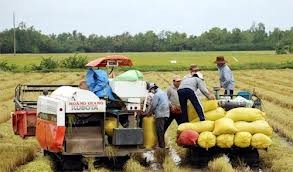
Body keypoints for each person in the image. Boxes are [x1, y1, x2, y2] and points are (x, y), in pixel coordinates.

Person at [146, 83, 170, 148]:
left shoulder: (156, 95)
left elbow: (153, 105)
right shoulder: (163, 93)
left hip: (160, 114)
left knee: (160, 130)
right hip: (166, 114)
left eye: (151, 90)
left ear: (153, 89)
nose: (151, 92)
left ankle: (161, 146)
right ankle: (161, 144)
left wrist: (149, 113)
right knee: (162, 129)